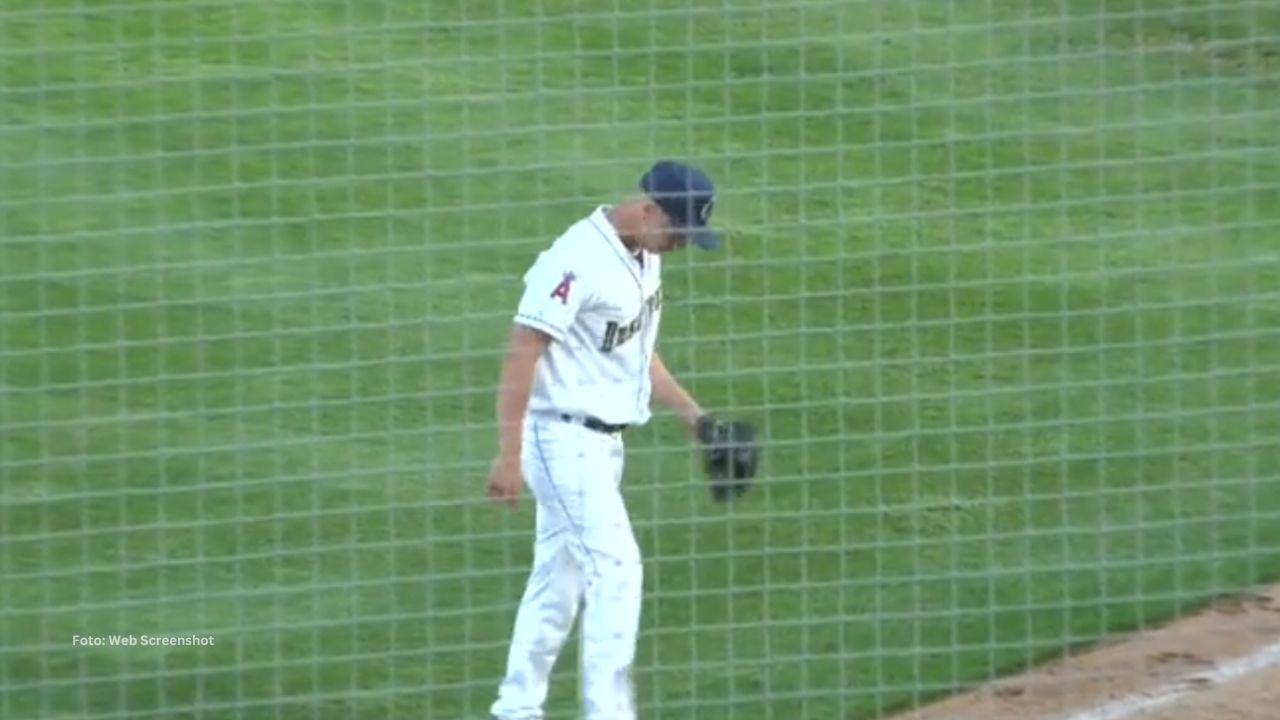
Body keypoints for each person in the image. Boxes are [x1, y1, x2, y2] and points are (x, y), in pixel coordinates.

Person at [485, 159, 722, 720]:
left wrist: (695, 417)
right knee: (618, 569)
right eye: (679, 231)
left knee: (557, 583)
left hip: (602, 447)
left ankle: (515, 709)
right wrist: (508, 451)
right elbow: (524, 349)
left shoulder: (644, 256)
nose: (682, 245)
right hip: (560, 440)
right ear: (647, 210)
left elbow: (636, 354)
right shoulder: (576, 261)